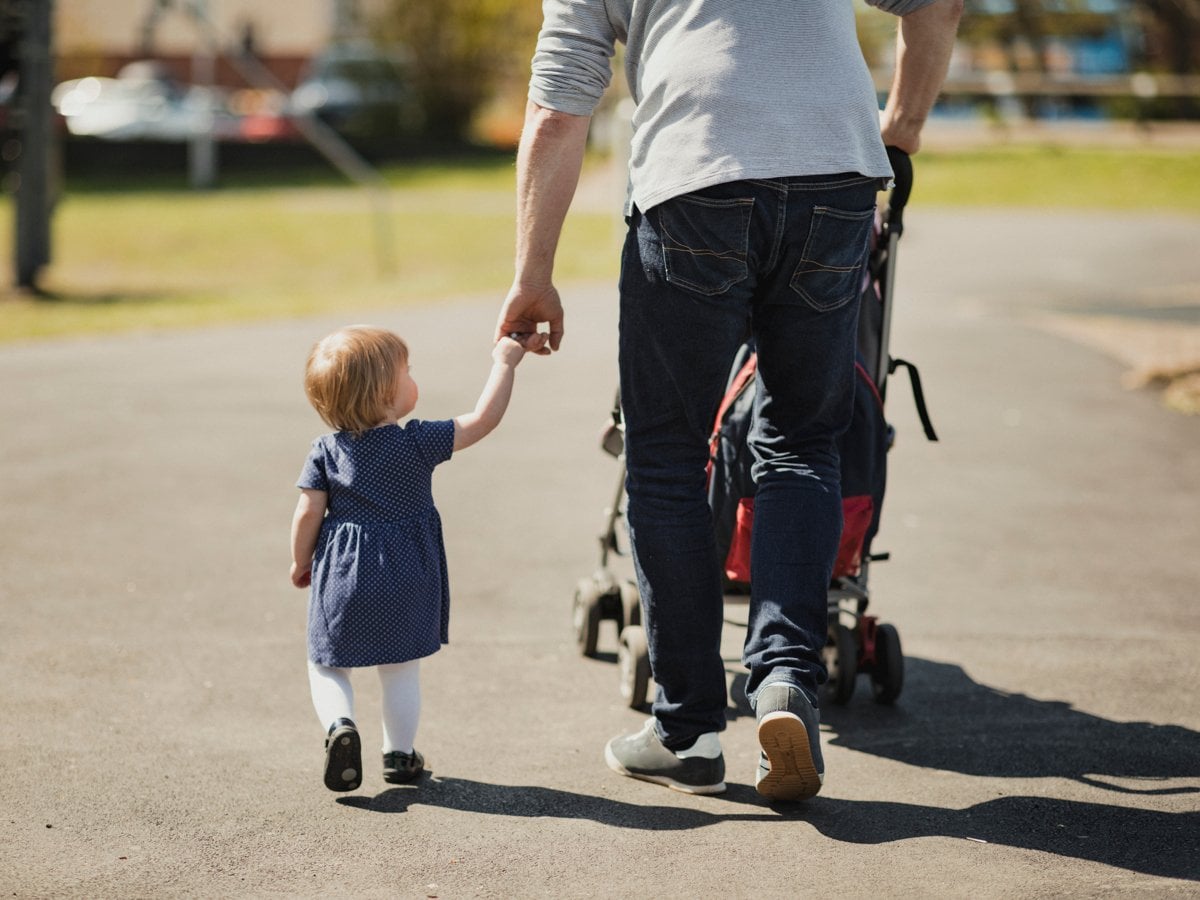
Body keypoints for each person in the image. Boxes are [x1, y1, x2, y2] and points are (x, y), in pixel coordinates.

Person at [495, 0, 962, 801]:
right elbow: (938, 3)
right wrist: (903, 125)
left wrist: (533, 274)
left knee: (669, 460)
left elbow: (557, 106)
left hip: (696, 174)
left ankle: (688, 731)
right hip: (838, 176)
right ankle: (784, 678)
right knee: (802, 442)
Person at [290, 325, 544, 792]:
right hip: (409, 573)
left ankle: (340, 726)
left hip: (344, 574)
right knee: (401, 666)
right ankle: (399, 755)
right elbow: (483, 419)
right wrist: (505, 363)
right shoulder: (417, 442)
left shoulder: (325, 452)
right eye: (408, 373)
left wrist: (299, 561)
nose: (413, 379)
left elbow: (308, 511)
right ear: (389, 394)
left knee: (327, 664)